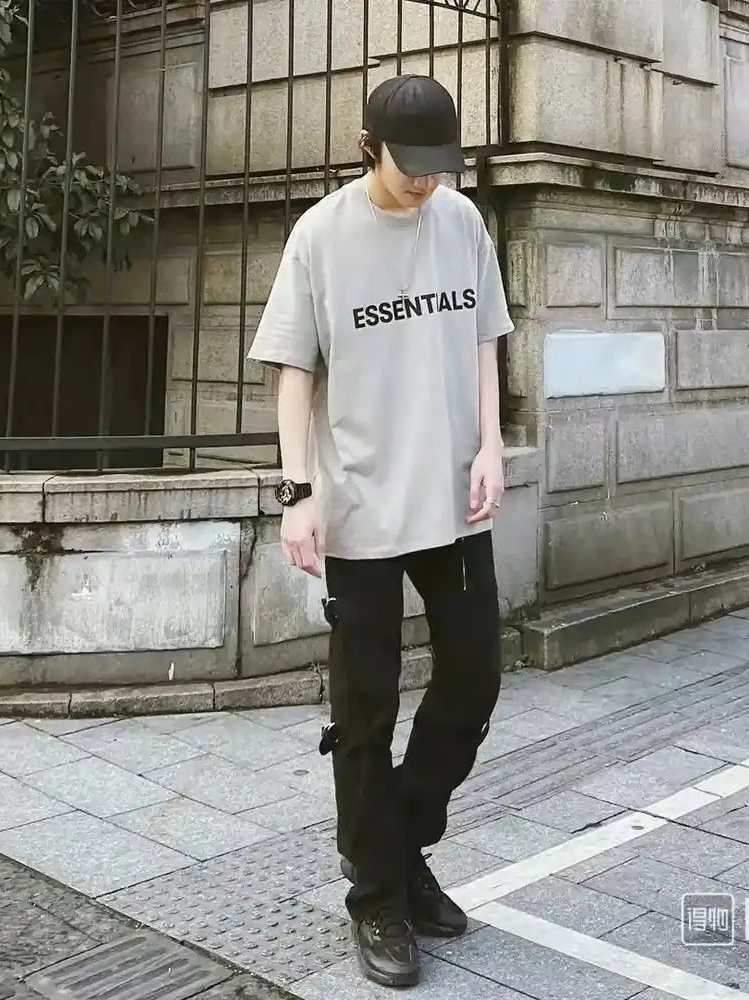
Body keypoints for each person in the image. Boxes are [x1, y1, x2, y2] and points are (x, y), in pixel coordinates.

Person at [247, 73, 515, 988]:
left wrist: (492, 444)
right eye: (411, 166)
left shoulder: (463, 222)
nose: (427, 182)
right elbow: (293, 369)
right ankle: (378, 898)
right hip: (359, 506)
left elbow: (484, 336)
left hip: (453, 498)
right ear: (370, 148)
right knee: (365, 711)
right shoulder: (322, 235)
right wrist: (298, 490)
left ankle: (398, 843)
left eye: (441, 165)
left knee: (474, 677)